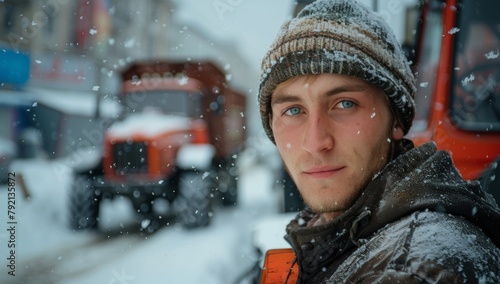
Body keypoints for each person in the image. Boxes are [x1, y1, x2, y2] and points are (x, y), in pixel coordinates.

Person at [257, 0, 500, 282]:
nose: (315, 142)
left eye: (345, 104)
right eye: (293, 110)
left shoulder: (413, 269)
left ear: (396, 120)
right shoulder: (339, 236)